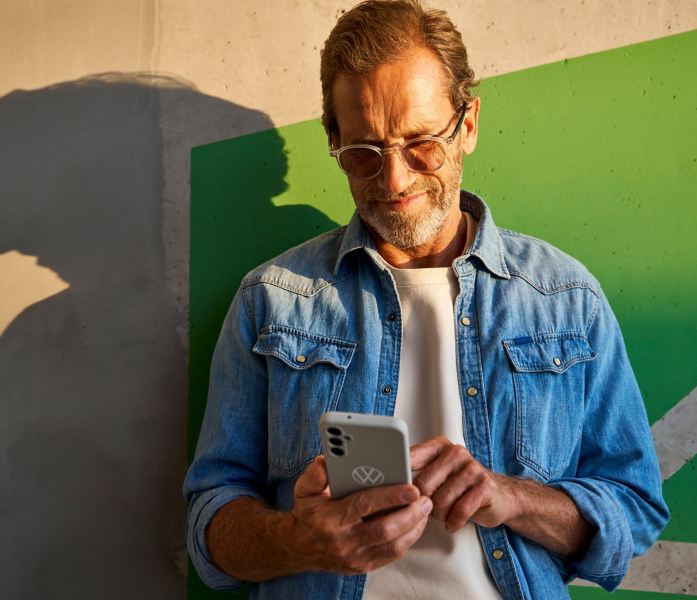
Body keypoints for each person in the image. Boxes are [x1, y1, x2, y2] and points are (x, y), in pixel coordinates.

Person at [183, 1, 669, 598]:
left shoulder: (564, 299)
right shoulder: (272, 301)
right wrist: (300, 540)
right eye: (364, 153)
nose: (394, 180)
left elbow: (635, 508)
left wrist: (509, 497)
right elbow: (210, 519)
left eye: (421, 144)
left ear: (467, 124)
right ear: (333, 142)